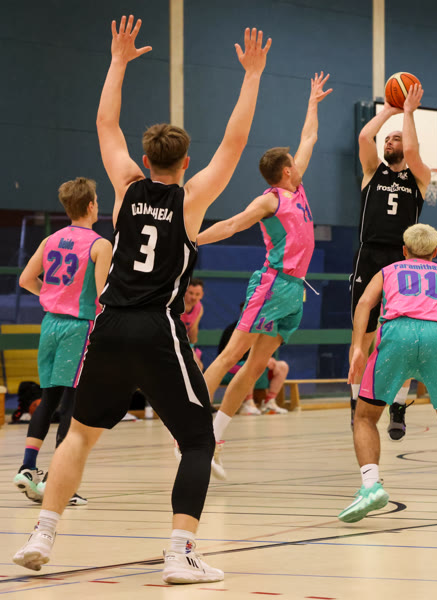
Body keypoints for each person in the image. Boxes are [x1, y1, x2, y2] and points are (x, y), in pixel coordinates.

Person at [13, 15, 271, 585]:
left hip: (107, 326)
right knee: (198, 439)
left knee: (79, 434)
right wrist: (251, 76)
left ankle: (41, 534)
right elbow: (234, 143)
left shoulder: (126, 188)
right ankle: (181, 552)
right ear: (184, 162)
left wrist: (118, 61)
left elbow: (106, 123)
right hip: (157, 328)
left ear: (147, 159)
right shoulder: (192, 198)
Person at [198, 72, 333, 478]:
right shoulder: (269, 200)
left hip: (294, 291)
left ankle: (214, 438)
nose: (299, 162)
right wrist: (191, 240)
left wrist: (312, 102)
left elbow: (309, 138)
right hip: (273, 283)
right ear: (287, 170)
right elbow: (231, 224)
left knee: (256, 367)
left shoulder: (297, 188)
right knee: (230, 355)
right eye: (294, 162)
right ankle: (188, 428)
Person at [339, 224, 437, 525]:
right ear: (435, 252)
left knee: (365, 417)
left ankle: (371, 485)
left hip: (397, 334)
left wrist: (357, 347)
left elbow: (364, 304)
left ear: (404, 250)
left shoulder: (388, 271)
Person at [13, 177, 112, 506]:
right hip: (78, 327)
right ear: (91, 205)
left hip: (50, 324)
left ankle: (27, 468)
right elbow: (103, 296)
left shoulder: (50, 240)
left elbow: (25, 279)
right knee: (72, 404)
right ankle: (58, 482)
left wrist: (53, 295)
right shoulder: (100, 245)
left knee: (49, 397)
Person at [350, 85, 432, 440]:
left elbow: (412, 150)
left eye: (395, 138)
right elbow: (364, 136)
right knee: (363, 335)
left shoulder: (419, 178)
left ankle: (397, 406)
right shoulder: (372, 171)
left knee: (406, 337)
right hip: (369, 256)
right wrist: (388, 110)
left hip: (404, 260)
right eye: (387, 138)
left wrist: (408, 112)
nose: (389, 141)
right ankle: (356, 403)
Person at [217, 312, 289, 415]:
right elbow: (232, 355)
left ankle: (269, 402)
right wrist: (260, 359)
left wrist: (269, 359)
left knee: (282, 366)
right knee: (249, 365)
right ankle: (248, 403)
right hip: (234, 367)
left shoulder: (263, 329)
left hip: (258, 364)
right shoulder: (233, 330)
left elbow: (267, 348)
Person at [181, 278, 205, 369]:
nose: (194, 297)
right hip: (171, 341)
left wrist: (191, 347)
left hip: (185, 343)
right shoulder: (177, 305)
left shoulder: (199, 308)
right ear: (185, 292)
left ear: (202, 295)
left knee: (198, 366)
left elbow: (193, 333)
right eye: (191, 293)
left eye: (197, 294)